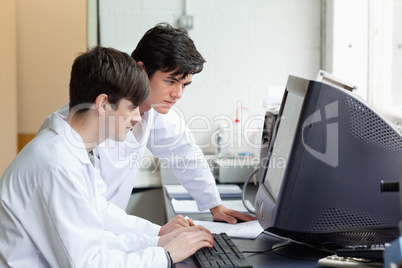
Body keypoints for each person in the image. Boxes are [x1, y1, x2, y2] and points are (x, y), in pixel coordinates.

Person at [0, 46, 213, 267]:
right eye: (131, 107)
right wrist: (166, 256)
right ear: (103, 104)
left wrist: (158, 242)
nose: (137, 118)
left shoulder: (72, 151)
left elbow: (96, 234)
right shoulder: (58, 165)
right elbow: (89, 263)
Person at [39, 23, 255, 224]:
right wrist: (159, 235)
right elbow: (91, 210)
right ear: (142, 71)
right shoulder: (93, 119)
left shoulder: (155, 111)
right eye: (171, 81)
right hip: (80, 232)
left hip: (104, 230)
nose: (178, 93)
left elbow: (185, 154)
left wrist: (215, 206)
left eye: (184, 85)